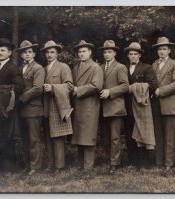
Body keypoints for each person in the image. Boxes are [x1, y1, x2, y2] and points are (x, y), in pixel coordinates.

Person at [0, 38, 24, 172]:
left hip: (7, 108)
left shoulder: (12, 68)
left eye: (3, 50)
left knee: (8, 137)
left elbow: (19, 87)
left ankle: (11, 168)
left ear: (9, 53)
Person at [124, 42, 158, 168]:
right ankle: (133, 162)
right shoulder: (124, 68)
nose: (133, 56)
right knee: (129, 132)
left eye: (135, 54)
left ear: (139, 56)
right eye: (130, 54)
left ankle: (146, 163)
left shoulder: (147, 67)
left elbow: (153, 84)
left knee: (142, 131)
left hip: (141, 105)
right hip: (127, 104)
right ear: (128, 56)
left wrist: (137, 87)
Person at [41, 40, 74, 173]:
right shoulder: (43, 69)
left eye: (52, 52)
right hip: (46, 106)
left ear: (57, 53)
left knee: (58, 137)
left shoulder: (63, 67)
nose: (49, 55)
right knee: (47, 136)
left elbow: (69, 86)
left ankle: (59, 166)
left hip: (58, 106)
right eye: (47, 52)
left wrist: (53, 87)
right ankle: (50, 164)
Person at [71, 40, 104, 171]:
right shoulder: (76, 68)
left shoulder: (96, 67)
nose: (81, 54)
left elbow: (97, 86)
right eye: (79, 52)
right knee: (79, 135)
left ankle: (88, 166)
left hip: (90, 105)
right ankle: (80, 164)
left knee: (88, 136)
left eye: (84, 51)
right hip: (78, 105)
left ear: (90, 52)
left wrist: (78, 90)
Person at [152, 37, 175, 170]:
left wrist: (160, 91)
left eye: (164, 49)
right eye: (159, 49)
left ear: (169, 50)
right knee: (158, 134)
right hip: (156, 104)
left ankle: (168, 163)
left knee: (169, 135)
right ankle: (159, 162)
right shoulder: (154, 64)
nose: (162, 51)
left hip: (170, 104)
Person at [98, 40, 129, 173]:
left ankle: (114, 163)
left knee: (115, 137)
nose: (107, 54)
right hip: (102, 107)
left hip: (115, 107)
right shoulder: (99, 67)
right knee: (105, 136)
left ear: (115, 53)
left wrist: (110, 92)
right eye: (105, 52)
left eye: (109, 52)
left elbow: (125, 86)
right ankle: (109, 159)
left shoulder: (120, 67)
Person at [16, 40, 45, 175]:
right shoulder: (20, 68)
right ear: (21, 55)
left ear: (33, 53)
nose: (27, 54)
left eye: (29, 52)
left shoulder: (38, 68)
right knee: (24, 138)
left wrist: (22, 98)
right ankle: (27, 164)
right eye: (24, 52)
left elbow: (38, 88)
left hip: (33, 108)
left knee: (34, 139)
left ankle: (35, 167)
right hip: (22, 109)